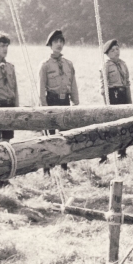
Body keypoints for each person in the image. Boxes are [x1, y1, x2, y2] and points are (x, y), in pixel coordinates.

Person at [39, 28, 79, 173]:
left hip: (65, 101)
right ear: (50, 44)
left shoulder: (68, 64)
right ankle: (47, 168)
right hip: (51, 101)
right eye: (56, 41)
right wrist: (44, 107)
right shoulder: (45, 65)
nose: (59, 44)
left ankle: (64, 166)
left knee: (65, 135)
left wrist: (76, 102)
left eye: (61, 41)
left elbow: (73, 84)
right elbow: (41, 87)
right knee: (49, 137)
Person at [99, 39, 131, 162]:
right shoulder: (106, 65)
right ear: (107, 53)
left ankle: (122, 152)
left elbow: (127, 83)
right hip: (113, 94)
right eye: (112, 50)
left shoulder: (123, 64)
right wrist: (106, 101)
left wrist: (129, 101)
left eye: (117, 49)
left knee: (124, 124)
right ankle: (104, 154)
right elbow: (103, 85)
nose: (116, 52)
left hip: (123, 94)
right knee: (112, 125)